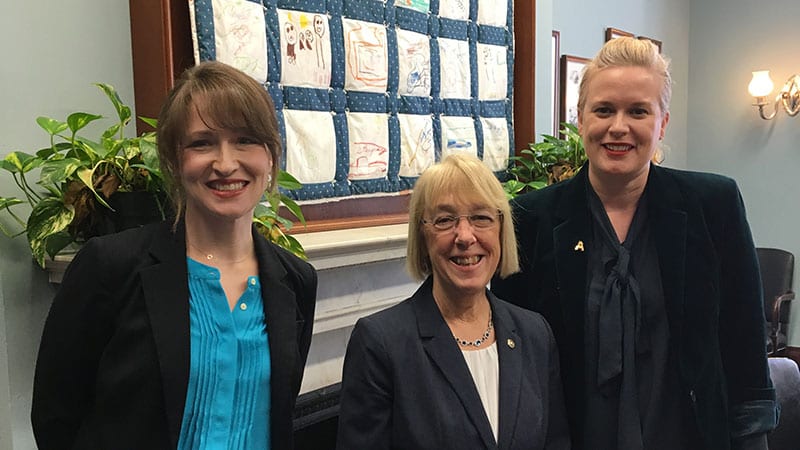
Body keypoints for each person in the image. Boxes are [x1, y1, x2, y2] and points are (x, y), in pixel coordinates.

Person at [491, 37, 778, 450]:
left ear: (662, 123)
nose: (618, 126)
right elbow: (515, 361)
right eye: (604, 109)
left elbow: (744, 341)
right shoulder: (530, 219)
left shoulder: (713, 206)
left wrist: (753, 439)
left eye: (638, 111)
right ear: (580, 118)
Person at [31, 61, 317, 449]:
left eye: (246, 140)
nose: (226, 163)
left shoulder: (295, 281)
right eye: (202, 143)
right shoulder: (111, 267)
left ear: (270, 156)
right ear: (173, 159)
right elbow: (56, 417)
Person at [336, 153, 570, 450]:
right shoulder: (381, 343)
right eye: (445, 220)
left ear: (501, 229)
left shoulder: (534, 333)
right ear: (423, 235)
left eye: (481, 217)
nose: (464, 236)